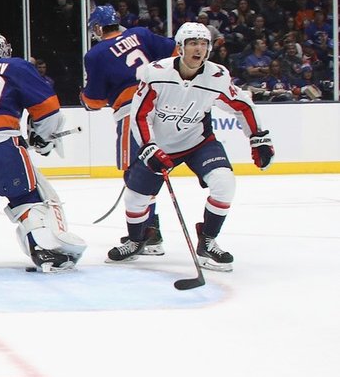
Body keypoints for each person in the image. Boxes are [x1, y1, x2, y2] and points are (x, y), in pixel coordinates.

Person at [107, 22, 274, 271]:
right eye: (193, 43)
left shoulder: (217, 76)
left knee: (224, 182)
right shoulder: (156, 73)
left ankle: (208, 240)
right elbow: (141, 115)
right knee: (135, 198)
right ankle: (136, 240)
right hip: (159, 146)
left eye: (204, 44)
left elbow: (242, 105)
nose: (199, 49)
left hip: (199, 143)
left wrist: (258, 137)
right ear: (180, 47)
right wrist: (149, 147)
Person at [0, 30, 86, 273]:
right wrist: (43, 137)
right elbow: (48, 109)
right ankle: (46, 248)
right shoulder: (15, 66)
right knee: (25, 195)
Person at [80, 5, 175, 255]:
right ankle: (148, 231)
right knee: (152, 167)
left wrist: (84, 98)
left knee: (135, 174)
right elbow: (175, 52)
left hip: (132, 114)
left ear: (98, 28)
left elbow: (95, 100)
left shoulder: (96, 54)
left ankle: (147, 233)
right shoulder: (141, 34)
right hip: (163, 107)